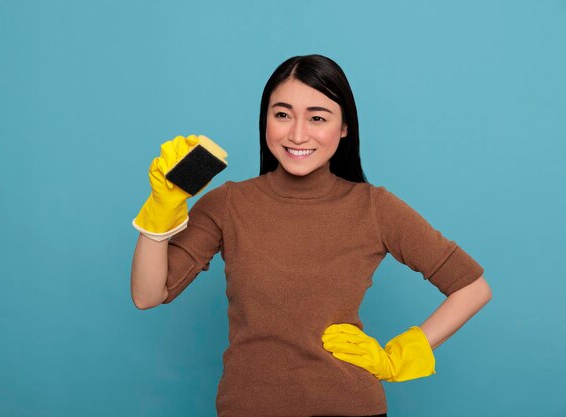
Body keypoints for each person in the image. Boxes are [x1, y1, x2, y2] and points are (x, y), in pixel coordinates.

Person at [130, 54, 492, 417]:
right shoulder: (228, 203)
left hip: (351, 407)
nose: (298, 134)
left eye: (317, 117)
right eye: (282, 114)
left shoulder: (374, 207)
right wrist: (161, 208)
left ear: (345, 127)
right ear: (265, 120)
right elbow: (148, 295)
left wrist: (396, 358)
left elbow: (473, 288)